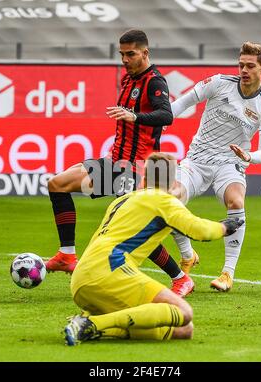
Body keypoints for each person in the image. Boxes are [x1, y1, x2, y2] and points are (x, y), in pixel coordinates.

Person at [45, 29, 191, 296]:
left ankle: (181, 278)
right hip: (114, 161)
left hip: (136, 167)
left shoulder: (154, 81)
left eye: (130, 54)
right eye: (122, 54)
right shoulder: (128, 79)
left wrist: (135, 116)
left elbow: (166, 115)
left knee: (130, 225)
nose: (125, 59)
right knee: (57, 183)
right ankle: (67, 255)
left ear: (145, 53)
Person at [64, 152, 243, 345]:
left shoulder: (122, 200)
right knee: (184, 312)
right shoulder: (163, 201)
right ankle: (94, 323)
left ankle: (93, 326)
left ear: (143, 178)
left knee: (183, 330)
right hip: (110, 271)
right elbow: (200, 231)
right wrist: (224, 227)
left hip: (81, 279)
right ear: (174, 182)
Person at [168, 42, 261, 292]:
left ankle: (227, 274)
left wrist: (248, 156)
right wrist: (162, 119)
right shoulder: (218, 83)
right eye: (241, 65)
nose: (244, 70)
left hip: (230, 163)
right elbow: (181, 104)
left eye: (250, 66)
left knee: (236, 202)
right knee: (170, 200)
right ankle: (187, 255)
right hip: (197, 160)